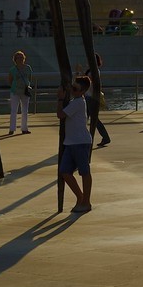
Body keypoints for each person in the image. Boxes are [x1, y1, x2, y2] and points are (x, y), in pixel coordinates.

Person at [57, 78, 94, 213]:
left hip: (80, 142)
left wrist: (60, 99)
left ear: (83, 91)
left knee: (84, 171)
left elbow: (60, 114)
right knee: (65, 171)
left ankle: (86, 201)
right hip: (70, 142)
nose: (72, 91)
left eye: (75, 89)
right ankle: (80, 197)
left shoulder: (78, 102)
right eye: (72, 87)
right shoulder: (74, 101)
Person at [8, 50, 33, 135]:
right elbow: (10, 80)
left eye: (22, 57)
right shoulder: (12, 69)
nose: (20, 59)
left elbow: (29, 78)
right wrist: (15, 86)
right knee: (14, 110)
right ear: (15, 59)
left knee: (25, 110)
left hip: (25, 91)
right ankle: (12, 129)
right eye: (18, 58)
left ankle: (24, 128)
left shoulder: (28, 68)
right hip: (15, 91)